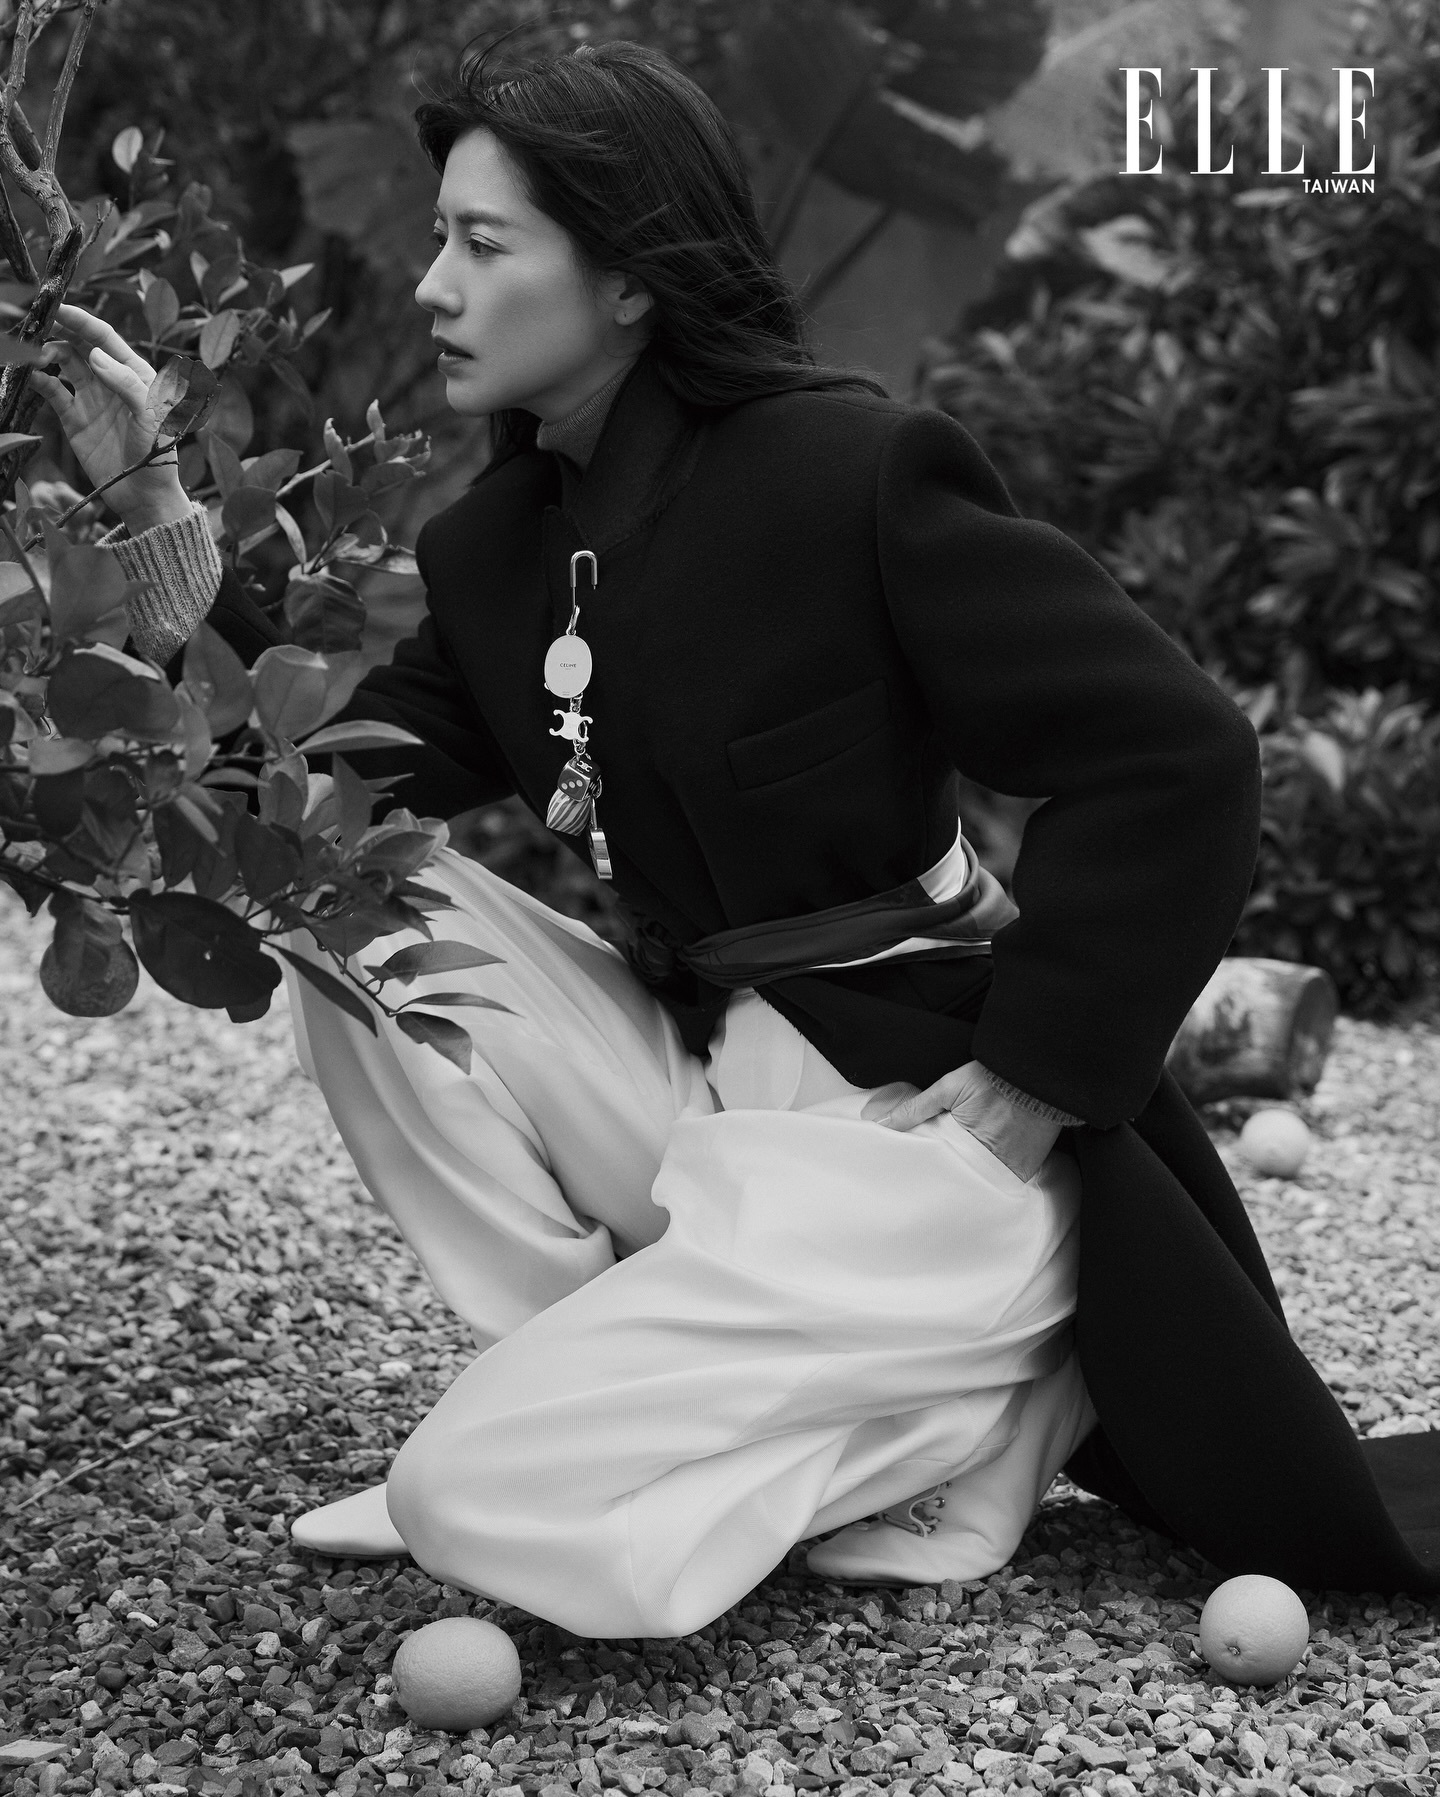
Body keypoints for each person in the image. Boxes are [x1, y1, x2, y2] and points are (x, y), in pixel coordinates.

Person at [34, 37, 1438, 1637]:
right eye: (440, 238)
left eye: (484, 244)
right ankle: (624, 1384)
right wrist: (154, 511)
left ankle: (960, 1399)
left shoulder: (852, 474)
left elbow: (1176, 753)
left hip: (916, 1147)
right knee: (347, 909)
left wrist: (1035, 1087)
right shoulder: (502, 552)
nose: (433, 285)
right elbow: (307, 791)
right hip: (703, 1099)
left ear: (631, 277)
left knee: (460, 1500)